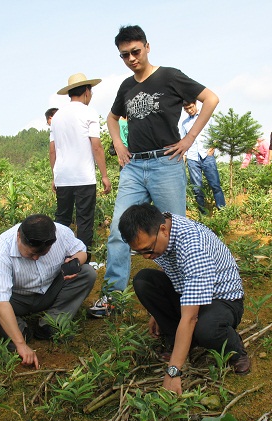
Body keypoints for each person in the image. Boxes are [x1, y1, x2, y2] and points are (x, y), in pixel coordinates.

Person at [88, 24, 219, 318]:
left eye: (135, 51)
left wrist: (189, 139)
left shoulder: (170, 76)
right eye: (124, 55)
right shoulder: (126, 86)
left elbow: (211, 99)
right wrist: (119, 145)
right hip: (134, 166)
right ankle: (112, 298)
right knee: (119, 230)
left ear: (147, 46)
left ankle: (188, 295)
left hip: (166, 163)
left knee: (177, 232)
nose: (132, 58)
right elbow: (111, 118)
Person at [118, 203, 251, 394]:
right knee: (144, 280)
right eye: (139, 252)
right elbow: (172, 268)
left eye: (148, 250)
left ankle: (235, 349)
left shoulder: (193, 246)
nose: (146, 256)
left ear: (163, 229)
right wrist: (158, 312)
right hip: (188, 290)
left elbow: (190, 318)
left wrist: (173, 371)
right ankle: (178, 342)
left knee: (206, 328)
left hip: (222, 299)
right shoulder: (162, 230)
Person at [0, 214, 96, 369]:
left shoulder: (60, 233)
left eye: (42, 254)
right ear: (19, 236)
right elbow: (1, 302)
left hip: (50, 290)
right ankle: (20, 330)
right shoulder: (1, 251)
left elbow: (81, 251)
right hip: (18, 299)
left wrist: (75, 262)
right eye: (31, 254)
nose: (36, 258)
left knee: (87, 273)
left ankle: (51, 324)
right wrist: (21, 344)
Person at [50, 73, 111, 253]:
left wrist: (55, 176)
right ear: (86, 91)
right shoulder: (89, 112)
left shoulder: (57, 116)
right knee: (85, 220)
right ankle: (83, 261)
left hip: (63, 177)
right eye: (91, 92)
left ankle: (58, 256)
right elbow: (97, 147)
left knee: (62, 219)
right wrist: (105, 176)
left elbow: (52, 150)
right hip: (83, 176)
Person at [181, 100, 225, 213]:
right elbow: (184, 141)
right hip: (192, 158)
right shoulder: (185, 123)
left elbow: (217, 133)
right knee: (197, 188)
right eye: (186, 109)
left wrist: (212, 148)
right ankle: (203, 213)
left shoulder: (206, 118)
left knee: (215, 185)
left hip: (207, 156)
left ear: (195, 104)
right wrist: (184, 159)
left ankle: (222, 210)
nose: (189, 110)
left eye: (191, 107)